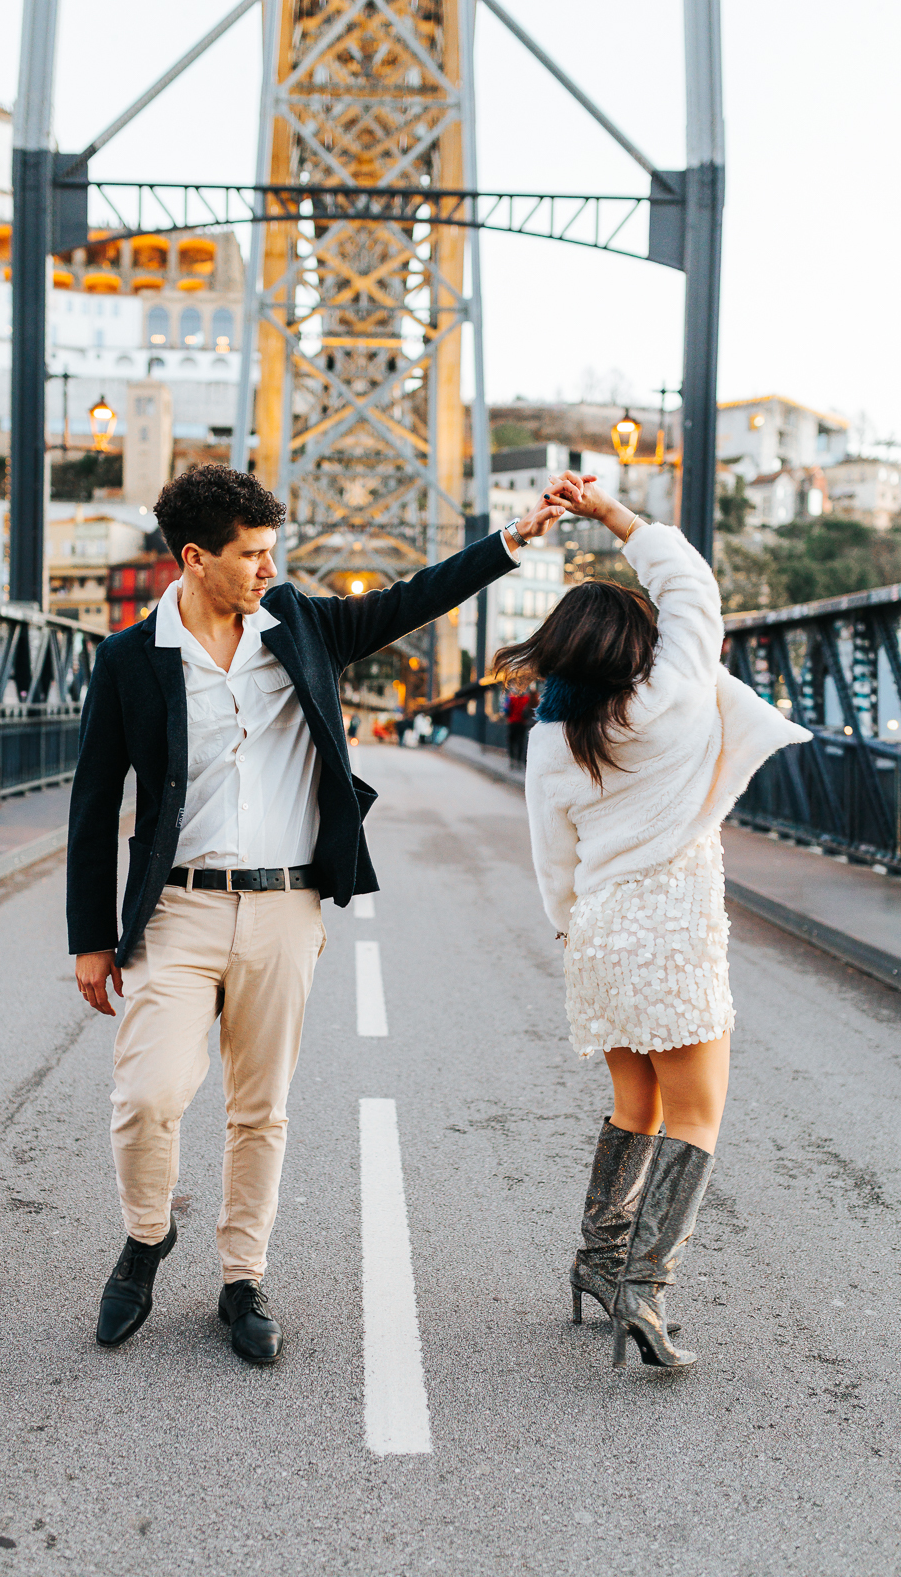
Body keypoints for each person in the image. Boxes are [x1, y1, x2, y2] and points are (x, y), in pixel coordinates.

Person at [68, 464, 563, 1362]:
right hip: (178, 909)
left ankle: (241, 1276)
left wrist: (513, 540)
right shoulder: (129, 660)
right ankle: (146, 1240)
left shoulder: (300, 625)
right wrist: (90, 940)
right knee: (148, 1096)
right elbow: (94, 802)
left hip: (285, 906)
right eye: (251, 554)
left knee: (261, 1107)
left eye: (271, 552)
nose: (267, 568)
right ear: (195, 559)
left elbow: (416, 598)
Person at [502, 471, 811, 1371]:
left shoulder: (554, 740)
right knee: (699, 1114)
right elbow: (693, 589)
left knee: (635, 1101)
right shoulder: (672, 694)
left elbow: (550, 858)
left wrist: (570, 931)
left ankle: (599, 1263)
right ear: (633, 644)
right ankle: (644, 1291)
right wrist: (615, 516)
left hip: (598, 930)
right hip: (671, 932)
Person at [504, 686, 535, 768]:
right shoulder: (526, 698)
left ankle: (512, 759)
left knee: (511, 742)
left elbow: (506, 710)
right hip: (522, 723)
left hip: (512, 722)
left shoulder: (510, 698)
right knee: (520, 742)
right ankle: (518, 760)